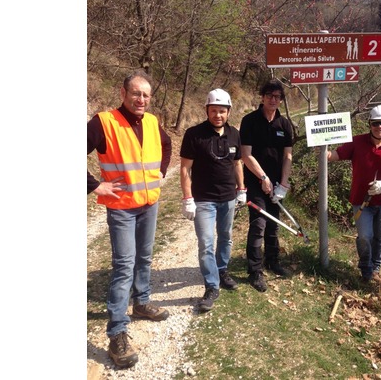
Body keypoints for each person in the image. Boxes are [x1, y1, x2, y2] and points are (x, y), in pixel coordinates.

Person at [87, 70, 173, 368]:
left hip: (149, 204)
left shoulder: (151, 121)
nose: (141, 99)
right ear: (122, 93)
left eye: (146, 95)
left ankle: (142, 303)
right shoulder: (104, 122)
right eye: (136, 93)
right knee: (124, 264)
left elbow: (166, 145)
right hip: (121, 206)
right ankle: (117, 332)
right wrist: (95, 185)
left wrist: (162, 172)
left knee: (144, 257)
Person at [179, 88, 246, 313]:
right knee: (206, 243)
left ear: (228, 112)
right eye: (214, 110)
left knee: (225, 238)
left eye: (222, 111)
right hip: (203, 200)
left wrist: (242, 189)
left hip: (228, 197)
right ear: (207, 110)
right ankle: (211, 285)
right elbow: (185, 168)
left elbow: (237, 163)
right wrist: (188, 198)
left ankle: (222, 270)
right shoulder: (194, 134)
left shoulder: (235, 133)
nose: (218, 115)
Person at [325, 105, 381, 286]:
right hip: (361, 201)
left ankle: (375, 270)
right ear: (370, 124)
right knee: (364, 236)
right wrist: (324, 153)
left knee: (380, 237)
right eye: (375, 123)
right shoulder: (357, 142)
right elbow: (337, 154)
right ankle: (366, 268)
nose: (379, 127)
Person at [239, 80, 294, 292]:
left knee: (274, 223)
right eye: (270, 95)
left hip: (277, 183)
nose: (273, 100)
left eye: (277, 97)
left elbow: (288, 155)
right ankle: (255, 270)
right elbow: (246, 155)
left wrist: (284, 184)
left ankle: (273, 260)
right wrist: (263, 178)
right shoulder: (250, 121)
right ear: (262, 97)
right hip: (255, 181)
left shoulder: (285, 124)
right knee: (259, 224)